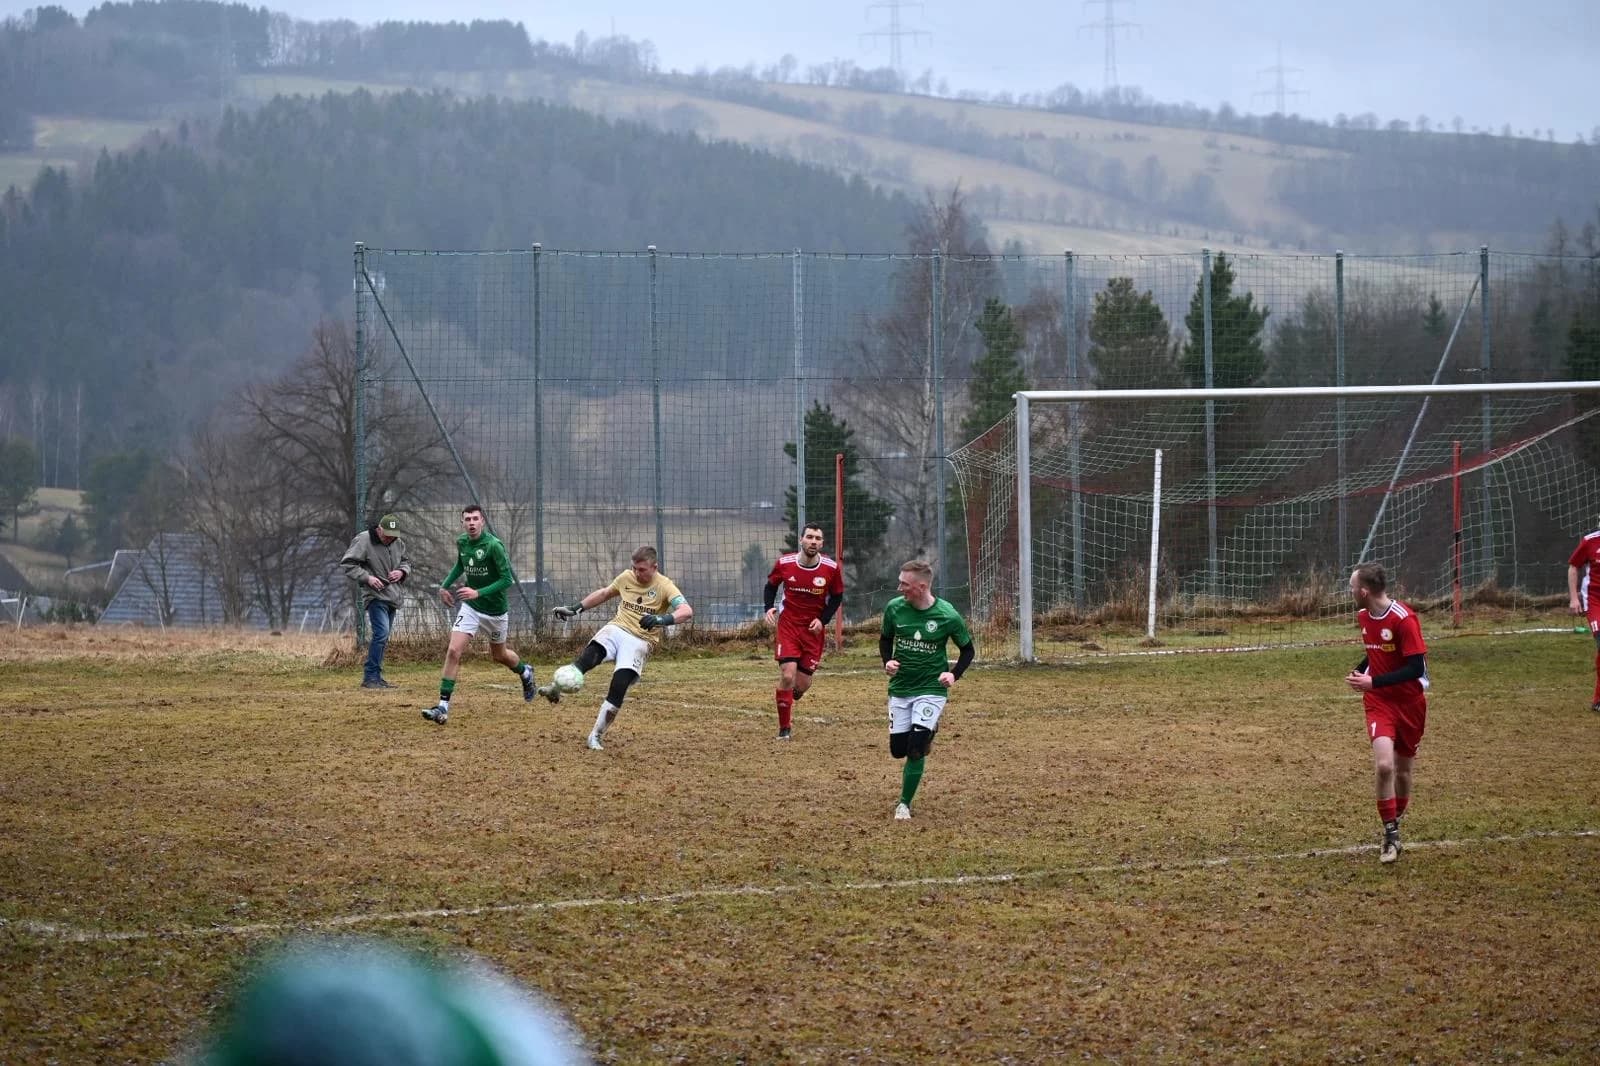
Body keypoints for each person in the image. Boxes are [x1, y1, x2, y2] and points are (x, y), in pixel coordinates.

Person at [538, 545, 692, 750]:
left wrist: (661, 619)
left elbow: (686, 611)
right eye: (634, 568)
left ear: (655, 567)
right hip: (617, 629)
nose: (637, 573)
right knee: (586, 659)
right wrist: (575, 609)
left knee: (618, 686)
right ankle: (555, 689)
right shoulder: (626, 577)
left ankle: (595, 735)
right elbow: (603, 593)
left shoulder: (665, 586)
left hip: (640, 640)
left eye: (642, 570)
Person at [1344, 561, 1429, 864]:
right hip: (1379, 702)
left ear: (1364, 591)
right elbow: (1374, 652)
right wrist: (1361, 670)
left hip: (1410, 704)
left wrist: (1372, 680)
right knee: (1384, 766)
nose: (1350, 591)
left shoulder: (1404, 620)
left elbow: (1415, 667)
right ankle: (1390, 834)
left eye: (1352, 587)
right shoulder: (1364, 616)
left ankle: (1395, 820)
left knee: (1404, 771)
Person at [422, 505, 536, 724]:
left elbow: (507, 580)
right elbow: (460, 565)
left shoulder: (494, 546)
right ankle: (442, 707)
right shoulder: (462, 542)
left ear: (482, 521)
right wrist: (444, 586)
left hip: (495, 612)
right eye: (467, 519)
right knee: (454, 651)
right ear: (462, 523)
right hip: (471, 608)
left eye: (475, 519)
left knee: (499, 656)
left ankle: (525, 672)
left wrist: (478, 592)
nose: (471, 523)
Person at [879, 558, 974, 821]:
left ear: (921, 587)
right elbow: (885, 639)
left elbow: (968, 650)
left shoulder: (947, 615)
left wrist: (953, 675)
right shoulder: (894, 609)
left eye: (904, 584)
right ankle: (927, 731)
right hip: (901, 687)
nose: (899, 589)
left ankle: (904, 804)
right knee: (898, 749)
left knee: (915, 748)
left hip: (931, 689)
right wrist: (887, 661)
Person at [763, 524, 845, 740]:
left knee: (801, 684)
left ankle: (793, 693)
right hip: (789, 626)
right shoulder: (785, 563)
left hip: (813, 631)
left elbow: (837, 596)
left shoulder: (831, 568)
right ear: (801, 540)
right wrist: (768, 607)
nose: (813, 541)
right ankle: (784, 729)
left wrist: (822, 619)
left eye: (818, 538)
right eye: (809, 537)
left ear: (822, 544)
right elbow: (770, 586)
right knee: (788, 674)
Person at [340, 513, 412, 689]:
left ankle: (377, 677)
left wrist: (402, 572)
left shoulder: (398, 543)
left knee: (383, 637)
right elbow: (348, 564)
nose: (390, 539)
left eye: (393, 536)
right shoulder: (363, 540)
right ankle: (370, 677)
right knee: (381, 634)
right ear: (379, 529)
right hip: (375, 596)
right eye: (387, 535)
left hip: (392, 596)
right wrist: (368, 578)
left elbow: (406, 562)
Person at [1567, 525, 1600, 711]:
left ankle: (1597, 699)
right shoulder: (1590, 541)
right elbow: (1573, 567)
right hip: (1595, 600)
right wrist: (1573, 598)